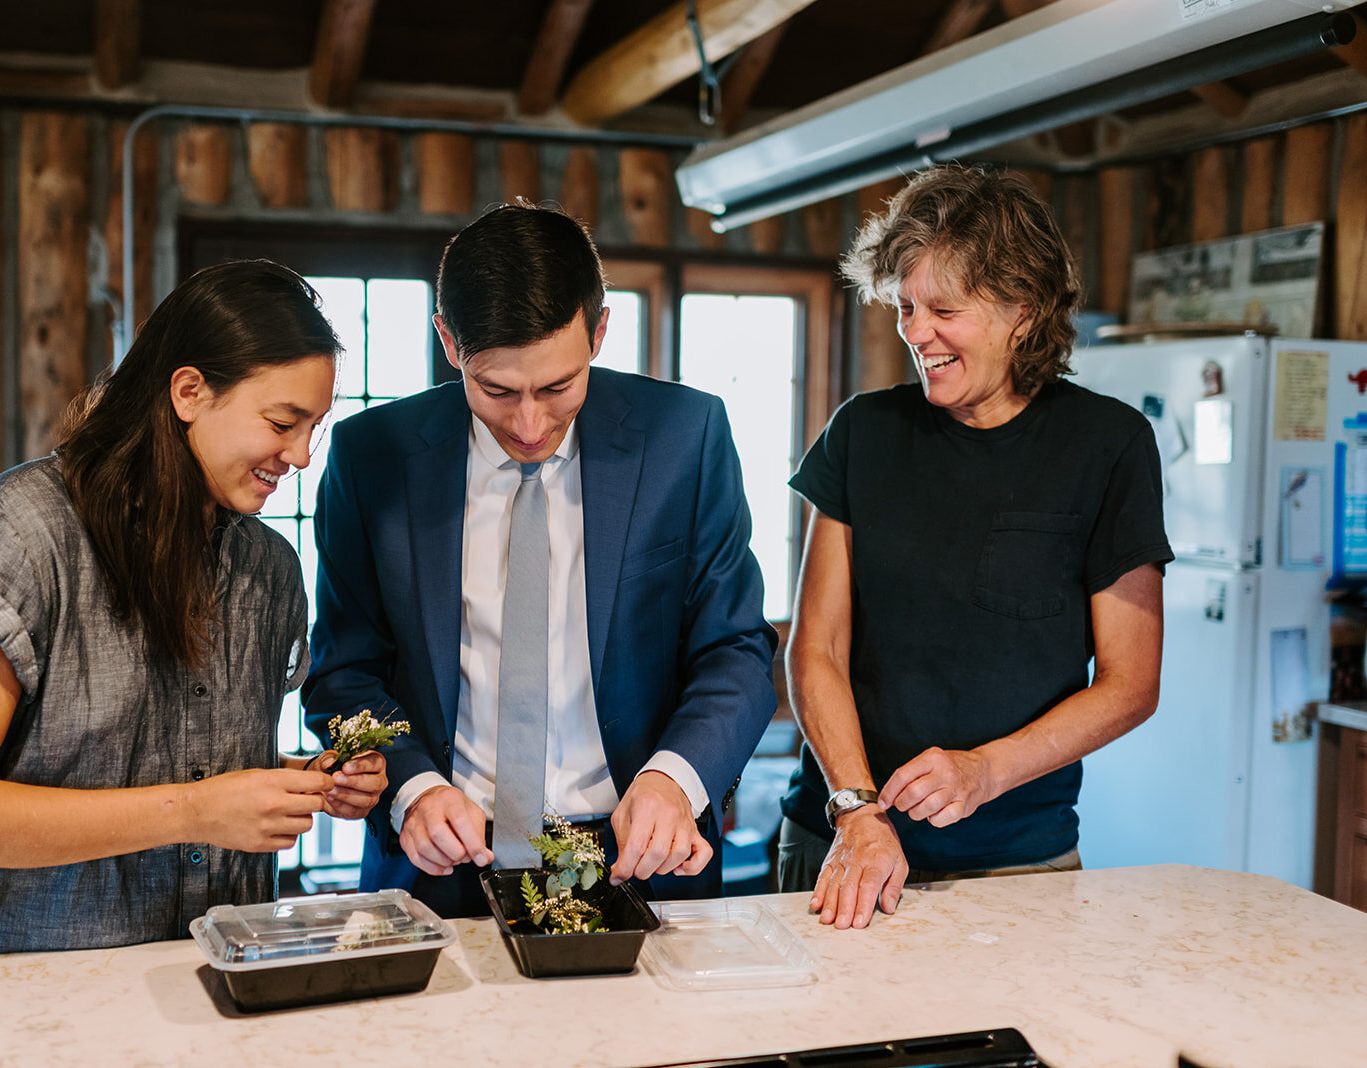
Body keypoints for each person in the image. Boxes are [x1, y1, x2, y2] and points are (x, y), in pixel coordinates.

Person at [0, 260, 387, 962]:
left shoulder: (268, 569)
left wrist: (296, 780)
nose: (303, 455)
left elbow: (176, 764)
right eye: (284, 422)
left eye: (315, 426)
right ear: (189, 391)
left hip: (207, 978)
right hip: (4, 992)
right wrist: (196, 812)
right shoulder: (25, 534)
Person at [303, 203, 779, 917]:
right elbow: (343, 675)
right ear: (449, 342)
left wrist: (677, 780)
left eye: (558, 387)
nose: (529, 425)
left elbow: (735, 648)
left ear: (601, 330)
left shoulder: (687, 435)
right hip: (436, 861)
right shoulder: (372, 457)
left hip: (633, 854)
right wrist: (410, 789)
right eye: (497, 391)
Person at [776, 165, 1172, 929]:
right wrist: (857, 810)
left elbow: (1130, 683)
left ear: (1022, 309)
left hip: (1021, 861)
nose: (915, 333)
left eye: (943, 310)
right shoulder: (863, 433)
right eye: (906, 307)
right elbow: (816, 649)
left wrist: (986, 772)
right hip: (842, 843)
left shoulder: (1109, 445)